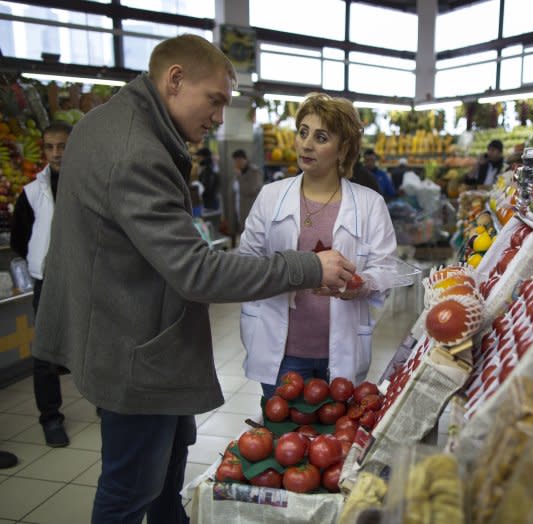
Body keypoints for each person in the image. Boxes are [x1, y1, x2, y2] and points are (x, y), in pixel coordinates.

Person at [31, 34, 355, 524]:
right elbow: (197, 271)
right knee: (130, 489)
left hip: (133, 331)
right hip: (137, 348)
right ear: (176, 79)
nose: (221, 118)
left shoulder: (109, 122)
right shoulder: (136, 151)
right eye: (217, 100)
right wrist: (309, 266)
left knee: (163, 478)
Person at [239, 92, 397, 397]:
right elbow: (246, 263)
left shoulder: (370, 204)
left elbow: (387, 270)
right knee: (282, 438)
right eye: (303, 132)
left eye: (321, 137)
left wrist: (359, 284)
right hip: (281, 349)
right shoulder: (271, 197)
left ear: (344, 149)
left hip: (341, 351)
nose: (307, 144)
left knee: (333, 441)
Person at [9, 121, 73, 448]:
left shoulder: (89, 185)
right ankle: (51, 418)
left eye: (61, 146)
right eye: (49, 147)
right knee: (45, 353)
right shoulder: (33, 192)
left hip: (84, 280)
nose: (56, 153)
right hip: (46, 283)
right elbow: (21, 239)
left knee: (93, 345)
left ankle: (106, 406)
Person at [232, 149, 262, 230]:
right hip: (240, 209)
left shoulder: (254, 171)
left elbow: (251, 190)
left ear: (244, 159)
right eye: (235, 161)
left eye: (238, 161)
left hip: (250, 210)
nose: (236, 163)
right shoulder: (239, 172)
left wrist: (239, 177)